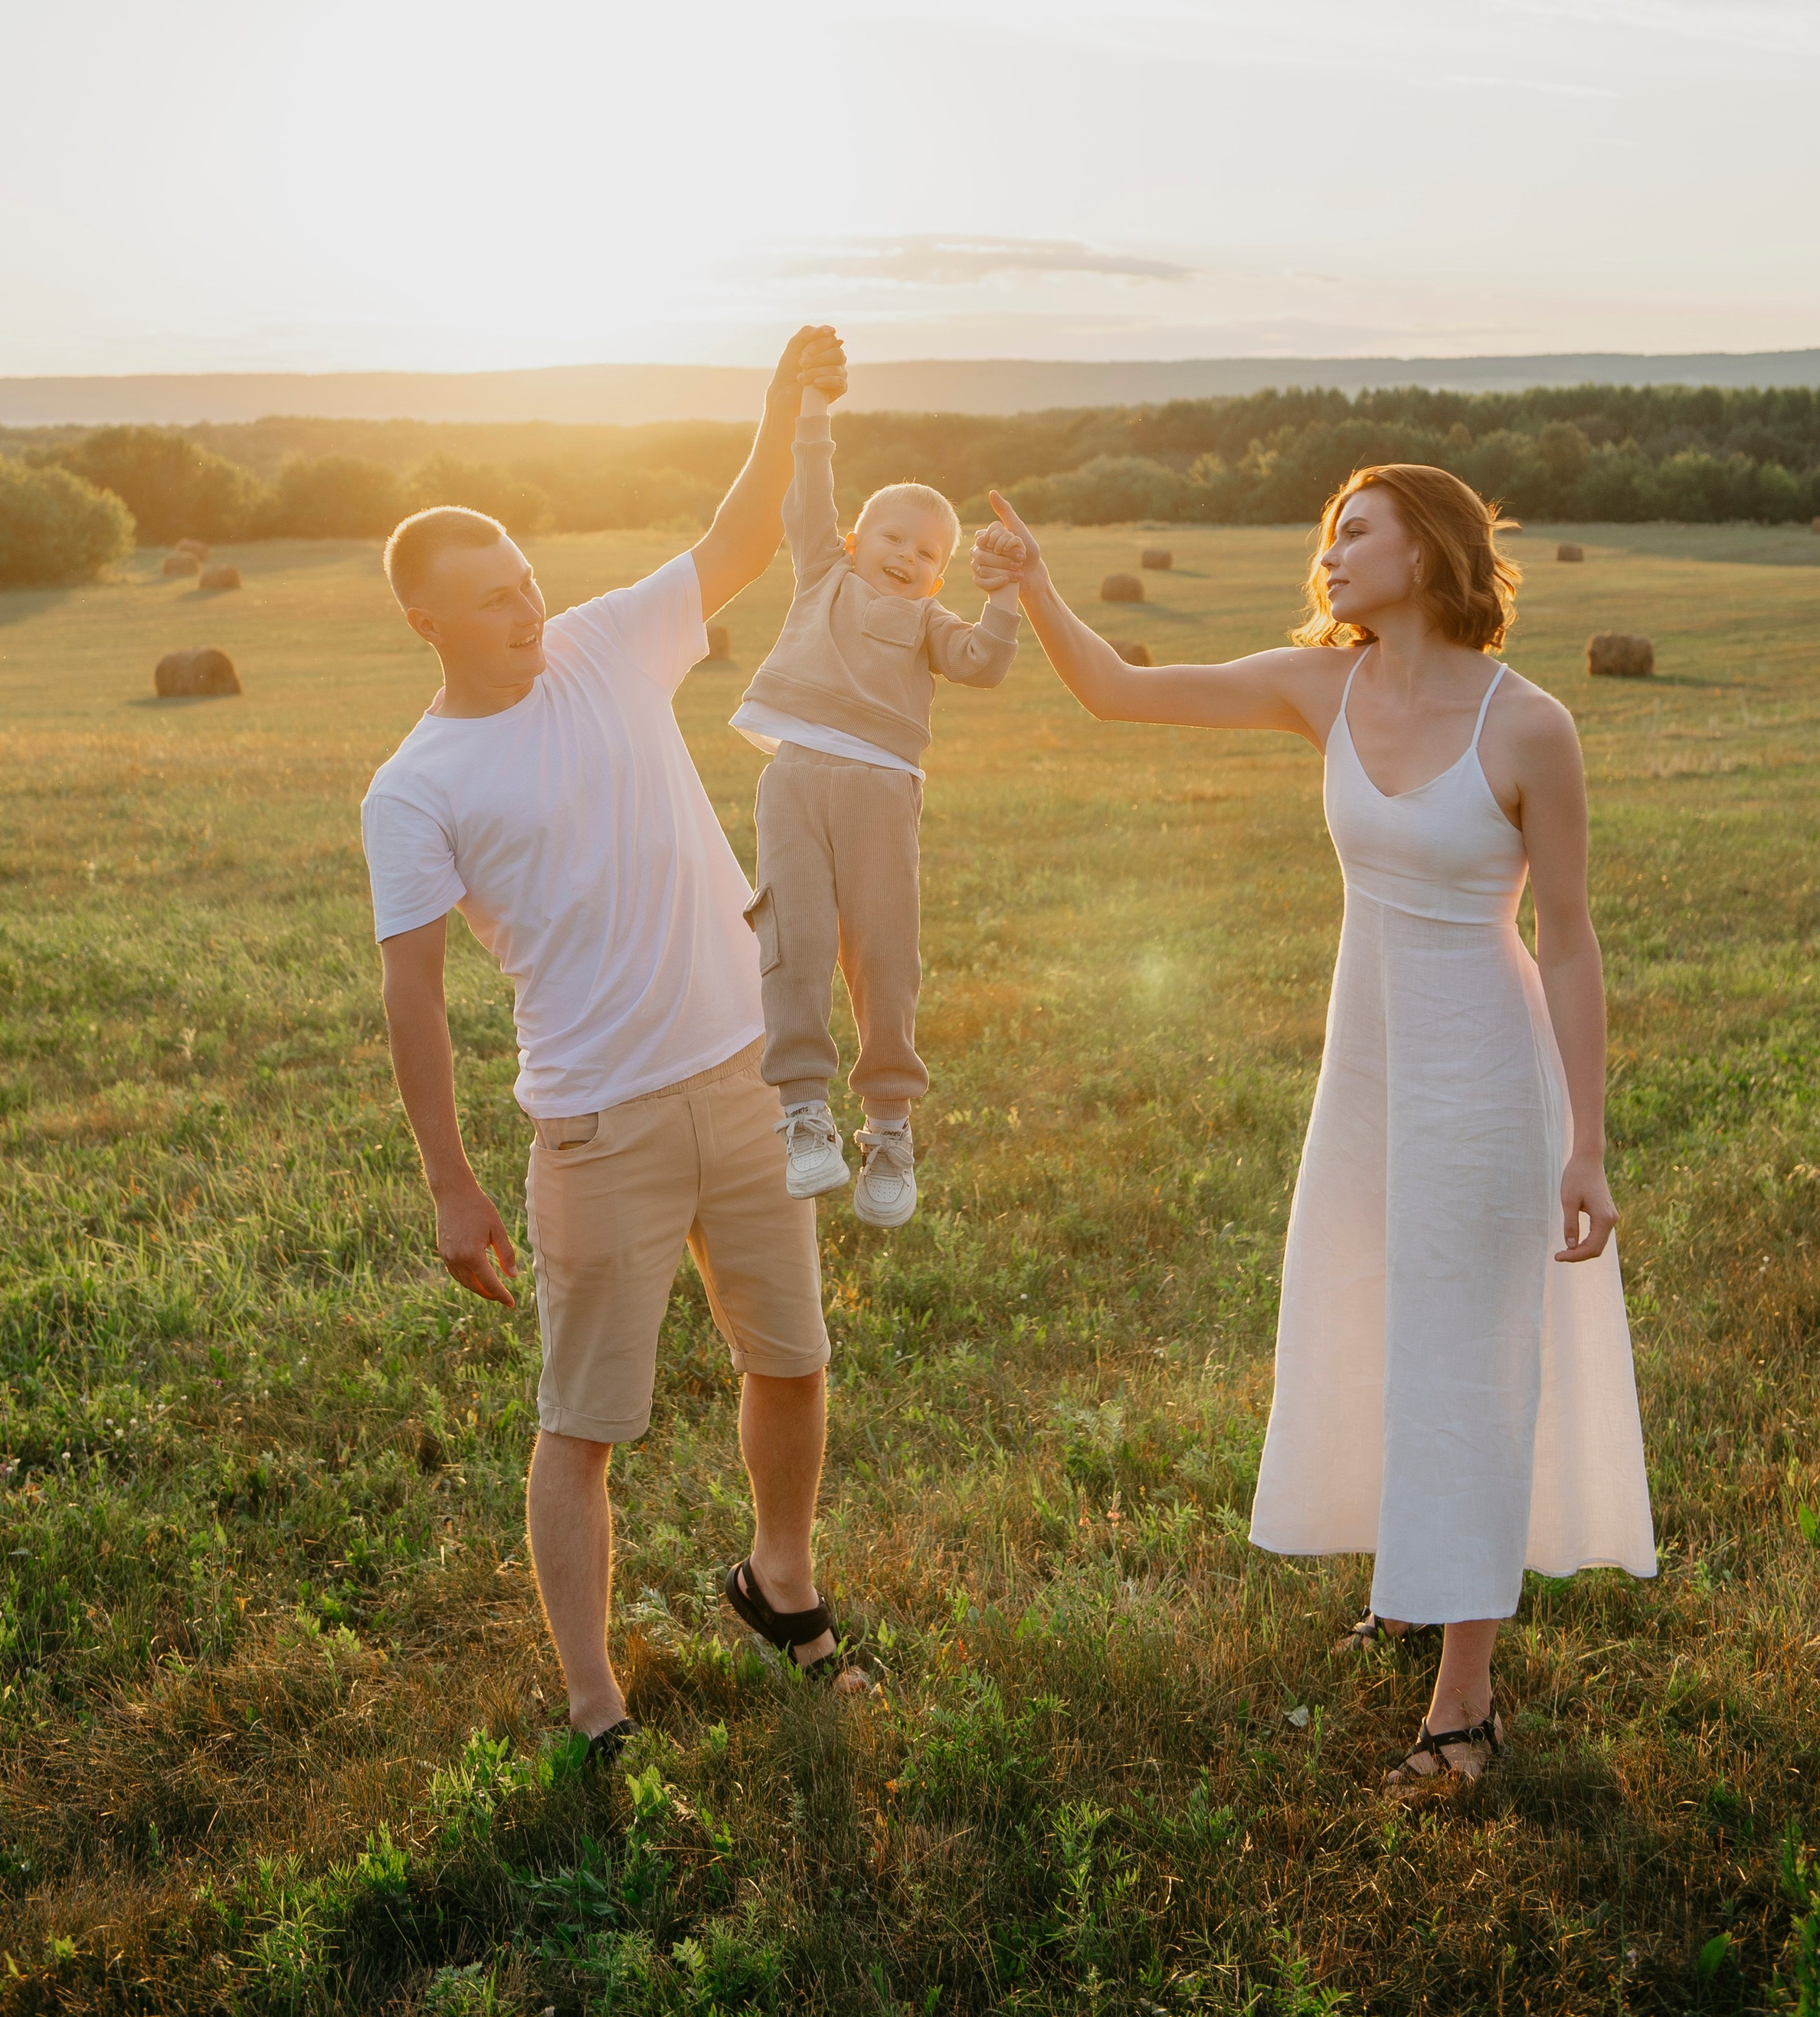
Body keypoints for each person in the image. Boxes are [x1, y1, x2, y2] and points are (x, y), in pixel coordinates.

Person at [974, 465, 1656, 1789]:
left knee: (1468, 1353)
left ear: (1431, 548)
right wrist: (1040, 581)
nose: (1330, 553)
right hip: (1368, 1072)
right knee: (1372, 1317)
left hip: (1482, 1072)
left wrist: (1587, 1141)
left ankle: (1466, 1699)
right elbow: (1117, 688)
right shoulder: (1318, 685)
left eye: (1356, 529)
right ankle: (1408, 1580)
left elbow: (1568, 940)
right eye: (1326, 534)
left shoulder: (1531, 726)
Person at [360, 326, 866, 1756]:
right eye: (493, 599)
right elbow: (409, 994)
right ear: (429, 623)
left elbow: (737, 535)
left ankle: (782, 1580)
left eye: (525, 577)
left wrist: (779, 410)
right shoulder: (416, 788)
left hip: (746, 1073)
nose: (527, 607)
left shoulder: (602, 641)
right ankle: (595, 1700)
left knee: (793, 1358)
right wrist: (451, 1183)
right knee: (583, 1421)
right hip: (596, 1122)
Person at [730, 380, 1020, 1230]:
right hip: (795, 779)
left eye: (928, 551)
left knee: (883, 953)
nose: (907, 554)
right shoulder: (822, 571)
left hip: (883, 791)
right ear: (855, 539)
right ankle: (801, 1113)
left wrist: (1003, 594)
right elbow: (808, 491)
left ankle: (889, 1129)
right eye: (892, 536)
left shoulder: (930, 621)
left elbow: (982, 663)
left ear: (939, 571)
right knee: (797, 936)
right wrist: (813, 414)